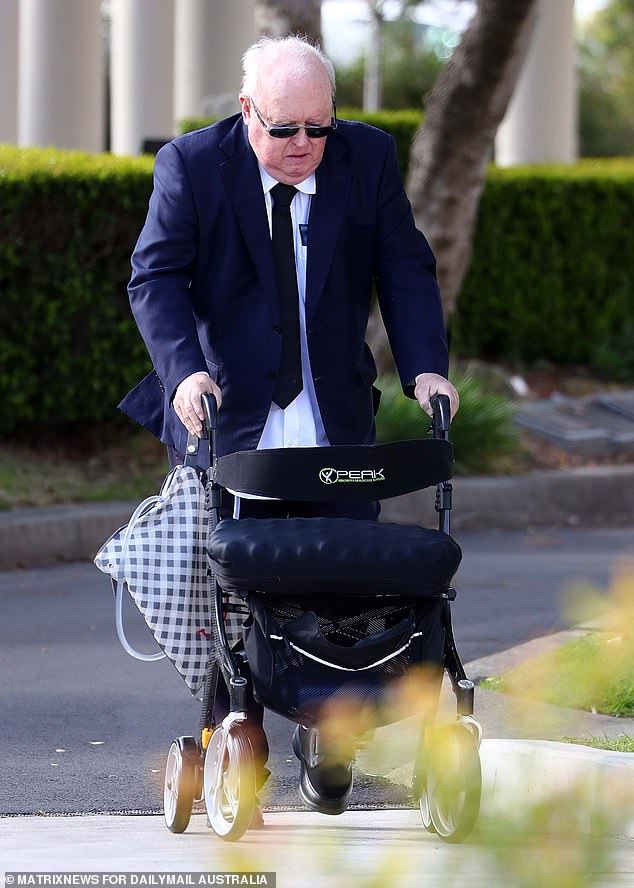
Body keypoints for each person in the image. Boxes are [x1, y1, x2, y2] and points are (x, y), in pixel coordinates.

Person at [120, 35, 459, 823]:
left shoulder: (365, 158)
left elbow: (403, 265)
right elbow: (155, 276)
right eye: (285, 130)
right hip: (230, 412)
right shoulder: (191, 167)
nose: (304, 146)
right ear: (247, 113)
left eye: (319, 128)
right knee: (238, 590)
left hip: (331, 412)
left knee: (342, 585)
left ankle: (331, 736)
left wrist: (424, 368)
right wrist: (183, 374)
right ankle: (235, 736)